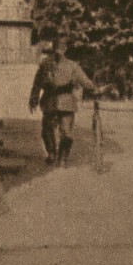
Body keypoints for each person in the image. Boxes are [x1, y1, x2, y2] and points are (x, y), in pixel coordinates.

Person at [29, 36, 106, 167]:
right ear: (53, 48)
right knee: (47, 130)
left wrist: (95, 90)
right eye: (57, 48)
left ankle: (63, 156)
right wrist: (33, 99)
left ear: (65, 50)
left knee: (66, 133)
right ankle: (52, 153)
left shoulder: (73, 66)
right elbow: (37, 83)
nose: (59, 51)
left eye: (61, 48)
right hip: (49, 101)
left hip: (66, 102)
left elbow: (84, 81)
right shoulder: (45, 64)